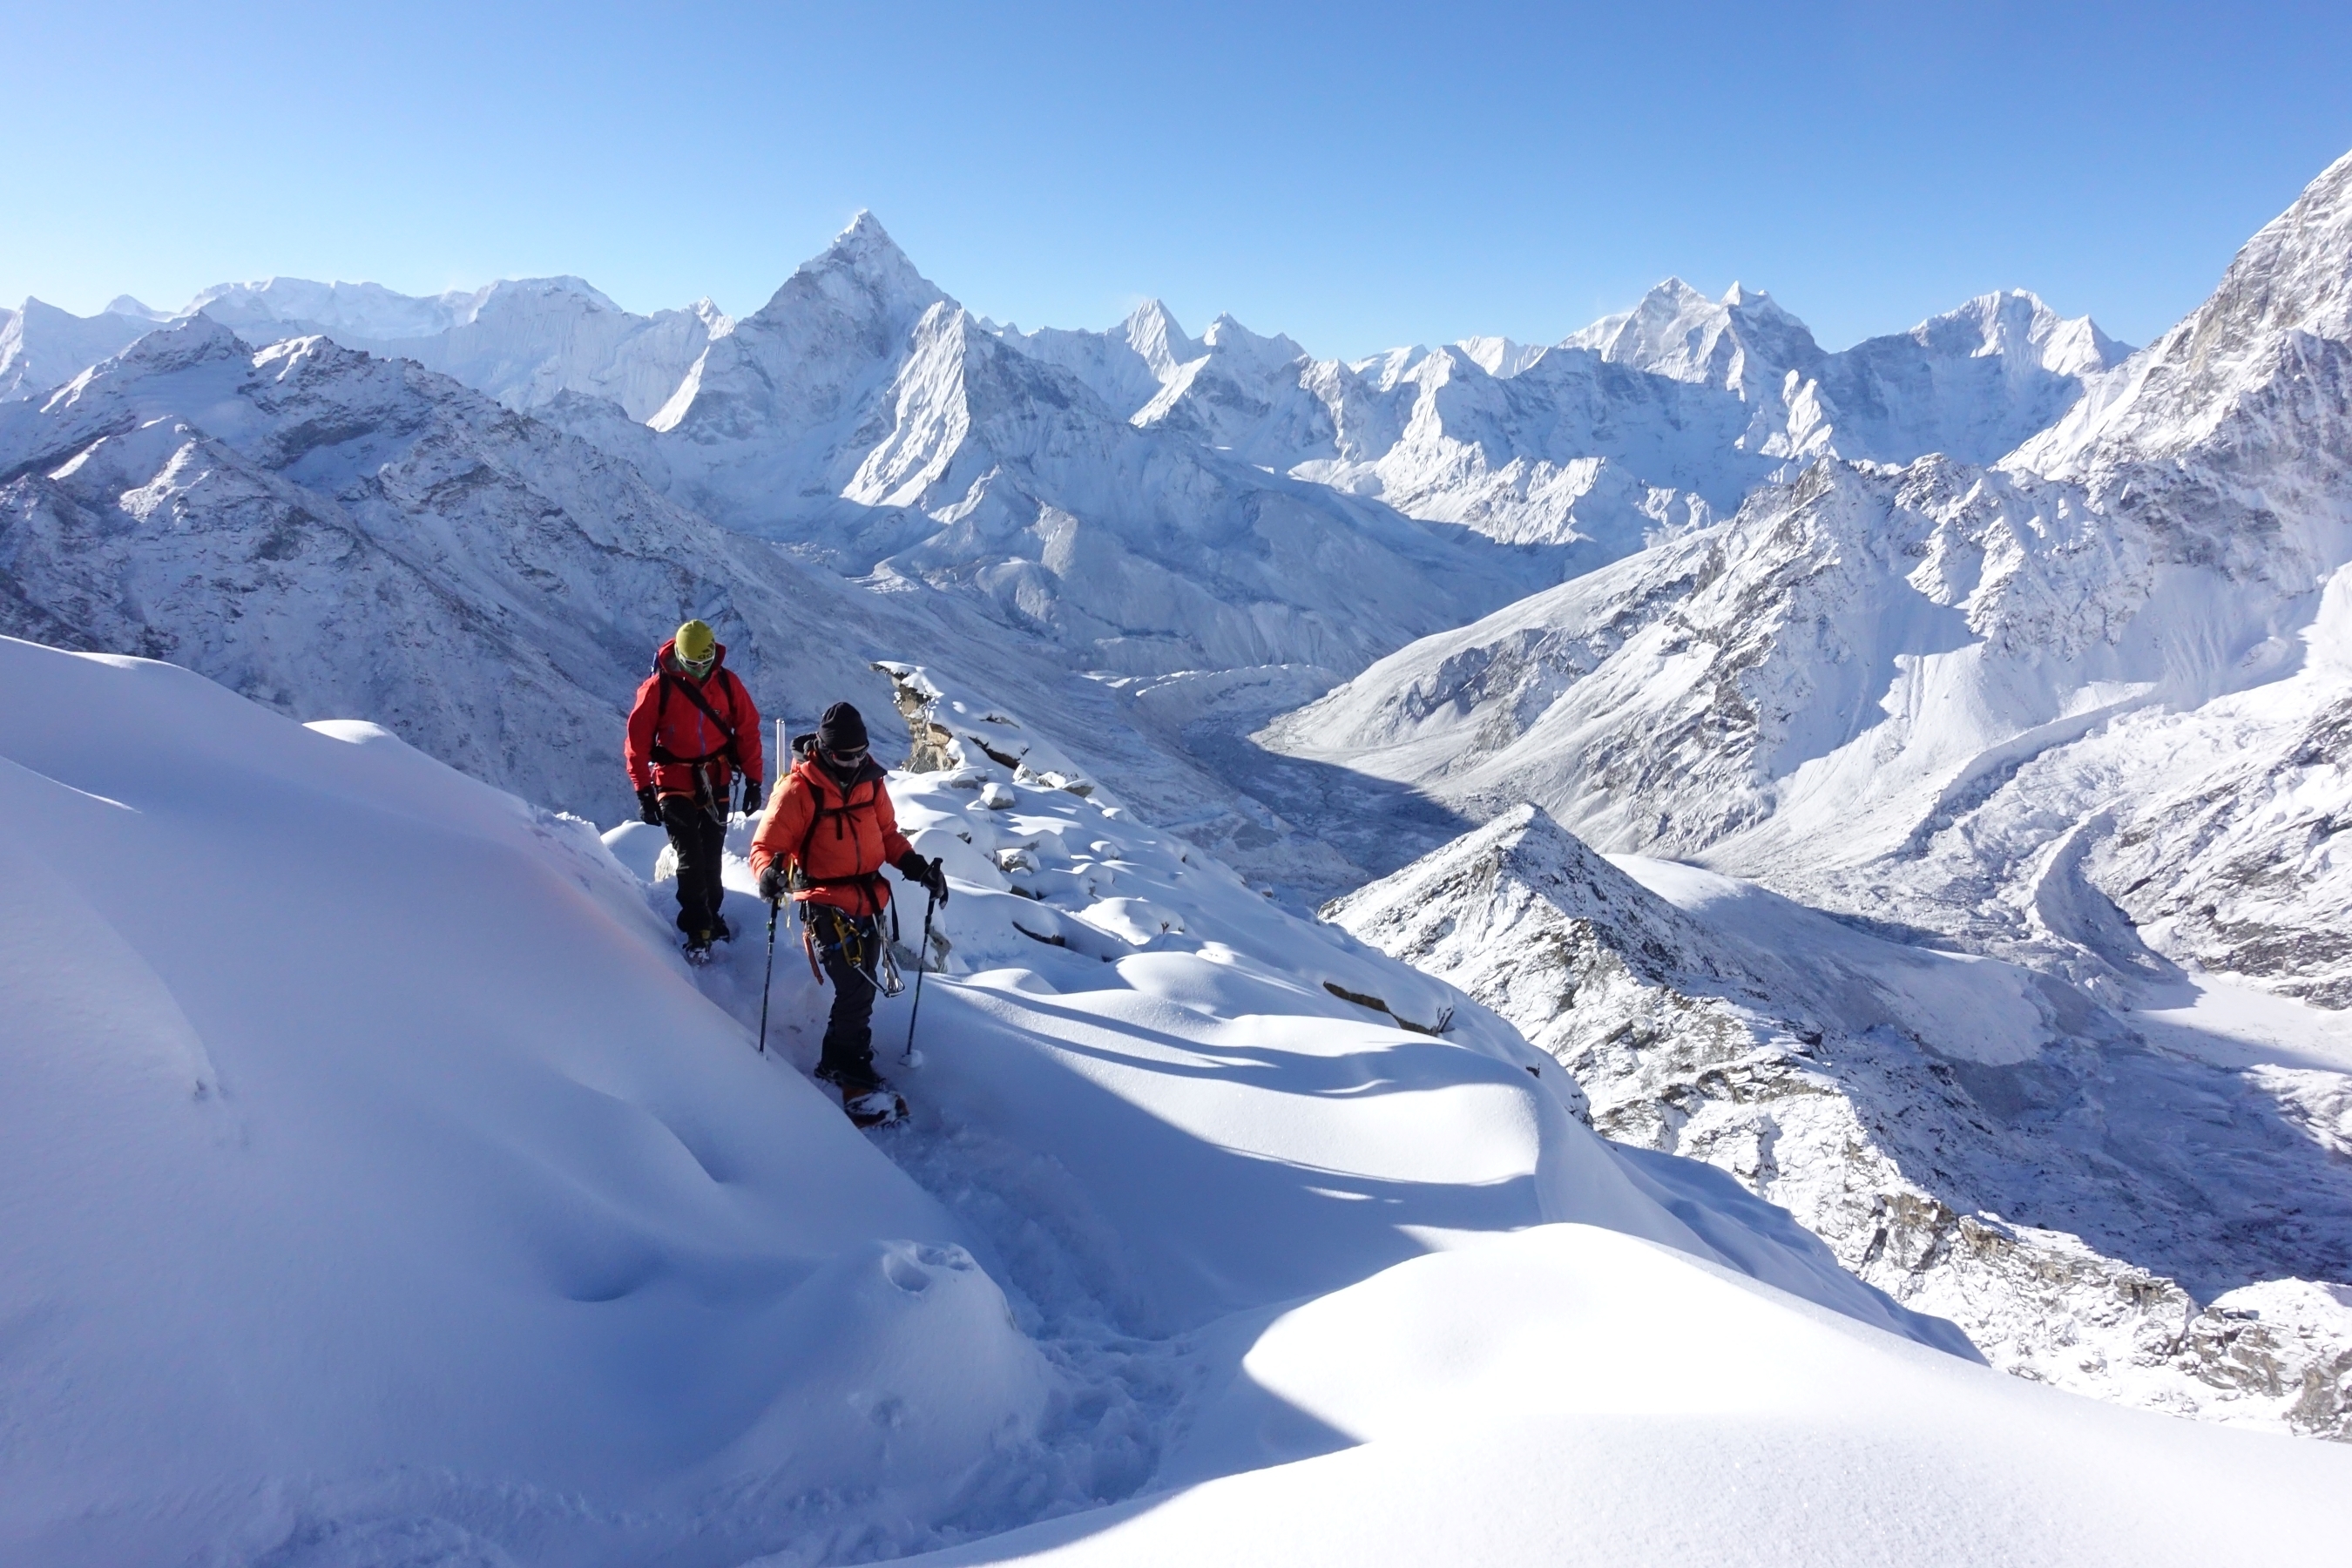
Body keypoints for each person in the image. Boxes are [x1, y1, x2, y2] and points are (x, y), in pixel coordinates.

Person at [749, 700, 947, 1113]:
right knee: (855, 985)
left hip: (868, 899)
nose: (854, 761)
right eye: (845, 756)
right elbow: (766, 847)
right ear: (825, 750)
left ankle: (841, 1056)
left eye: (860, 753)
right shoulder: (799, 789)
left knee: (862, 984)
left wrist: (916, 867)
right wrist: (768, 873)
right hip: (823, 901)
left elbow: (887, 834)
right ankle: (847, 1063)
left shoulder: (870, 782)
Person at [624, 619, 763, 959]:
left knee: (711, 855)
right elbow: (637, 744)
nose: (701, 670)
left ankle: (711, 915)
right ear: (681, 658)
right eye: (694, 664)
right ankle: (697, 928)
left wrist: (755, 780)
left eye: (706, 661)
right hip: (673, 780)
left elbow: (747, 732)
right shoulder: (658, 689)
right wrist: (644, 791)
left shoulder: (728, 685)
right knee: (690, 855)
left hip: (715, 779)